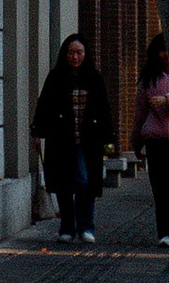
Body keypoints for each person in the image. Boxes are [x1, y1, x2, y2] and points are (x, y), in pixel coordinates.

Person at [31, 31, 116, 244]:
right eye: (71, 53)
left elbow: (104, 110)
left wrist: (108, 139)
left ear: (86, 54)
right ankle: (67, 227)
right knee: (64, 185)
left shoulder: (94, 78)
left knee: (85, 182)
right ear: (64, 54)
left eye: (79, 53)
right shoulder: (55, 77)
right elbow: (44, 106)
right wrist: (37, 132)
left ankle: (86, 225)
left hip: (88, 142)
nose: (75, 57)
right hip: (62, 141)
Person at [134, 35, 169, 247]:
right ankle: (165, 232)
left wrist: (167, 100)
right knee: (161, 188)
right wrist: (136, 139)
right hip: (156, 141)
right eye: (162, 51)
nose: (166, 55)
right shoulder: (148, 80)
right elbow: (140, 112)